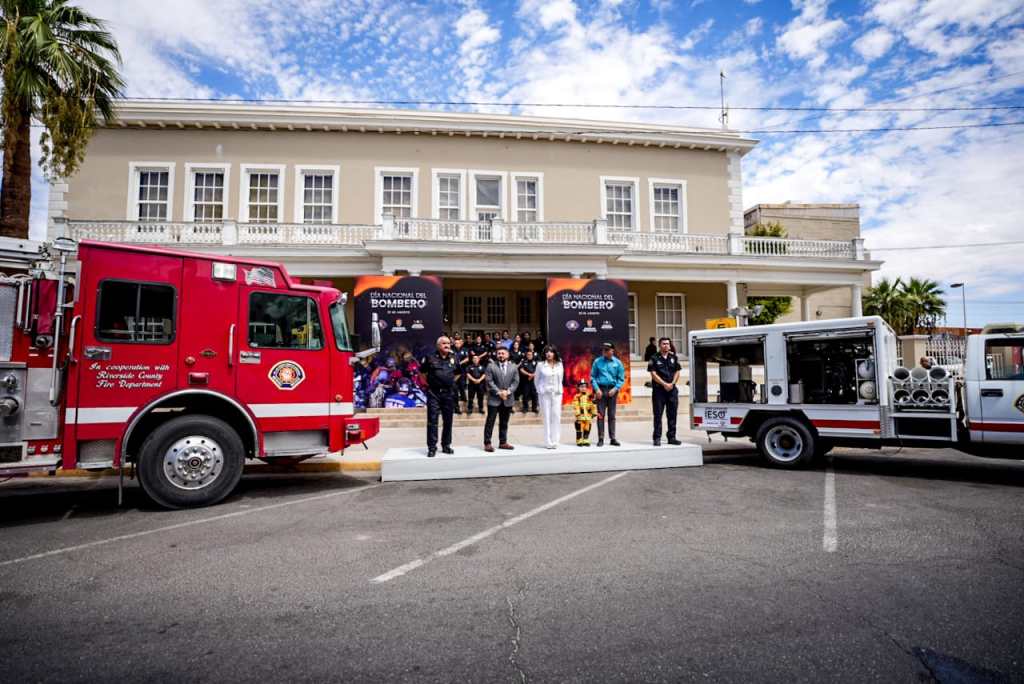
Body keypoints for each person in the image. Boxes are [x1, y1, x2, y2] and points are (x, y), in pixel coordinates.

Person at [420, 336, 458, 457]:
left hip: (448, 394)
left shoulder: (454, 357)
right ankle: (432, 447)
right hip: (434, 393)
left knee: (448, 421)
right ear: (438, 345)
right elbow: (422, 373)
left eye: (448, 343)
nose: (447, 345)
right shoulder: (429, 357)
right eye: (444, 343)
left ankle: (446, 445)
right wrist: (429, 384)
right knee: (432, 421)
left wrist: (450, 382)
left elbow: (458, 373)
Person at [649, 337, 683, 446]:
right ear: (659, 345)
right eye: (663, 344)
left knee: (672, 415)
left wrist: (672, 384)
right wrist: (664, 384)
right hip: (659, 391)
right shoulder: (654, 358)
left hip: (672, 390)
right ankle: (657, 438)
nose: (666, 345)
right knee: (658, 415)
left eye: (667, 344)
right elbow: (653, 374)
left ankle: (672, 437)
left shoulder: (674, 357)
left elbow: (677, 371)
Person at [483, 346, 519, 452]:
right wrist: (499, 392)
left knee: (504, 422)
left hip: (508, 398)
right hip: (494, 399)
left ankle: (503, 442)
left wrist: (507, 392)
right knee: (490, 422)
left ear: (507, 354)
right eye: (499, 353)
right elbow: (489, 381)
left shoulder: (513, 367)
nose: (501, 355)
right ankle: (487, 443)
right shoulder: (491, 366)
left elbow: (516, 382)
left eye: (503, 353)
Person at [590, 342, 625, 447]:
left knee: (612, 415)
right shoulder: (597, 362)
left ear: (612, 351)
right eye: (603, 350)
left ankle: (612, 438)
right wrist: (597, 389)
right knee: (600, 415)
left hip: (612, 391)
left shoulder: (618, 363)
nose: (604, 351)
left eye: (607, 350)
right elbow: (592, 377)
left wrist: (615, 389)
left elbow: (621, 379)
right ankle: (600, 438)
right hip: (601, 390)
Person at [535, 346, 564, 448]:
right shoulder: (540, 365)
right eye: (547, 352)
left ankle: (555, 440)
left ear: (554, 353)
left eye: (551, 352)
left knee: (556, 416)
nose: (549, 353)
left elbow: (561, 379)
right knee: (546, 417)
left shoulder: (560, 364)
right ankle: (548, 442)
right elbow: (536, 380)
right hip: (545, 394)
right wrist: (541, 391)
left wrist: (558, 390)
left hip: (557, 394)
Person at [571, 380, 597, 446]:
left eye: (585, 387)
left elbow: (592, 404)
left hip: (588, 416)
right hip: (580, 416)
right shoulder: (577, 396)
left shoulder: (589, 396)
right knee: (579, 428)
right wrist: (577, 413)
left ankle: (585, 439)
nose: (583, 388)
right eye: (582, 387)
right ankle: (579, 440)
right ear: (578, 388)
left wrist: (594, 412)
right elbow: (576, 405)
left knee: (587, 428)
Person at [452, 334, 469, 414]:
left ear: (461, 343)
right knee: (454, 389)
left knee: (462, 386)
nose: (457, 344)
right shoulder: (451, 350)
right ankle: (456, 408)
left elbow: (467, 358)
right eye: (455, 343)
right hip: (454, 373)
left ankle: (464, 401)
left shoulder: (465, 349)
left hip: (462, 371)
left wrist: (460, 363)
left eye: (458, 343)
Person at [519, 348, 539, 413]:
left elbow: (538, 370)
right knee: (525, 395)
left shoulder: (535, 362)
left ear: (532, 355)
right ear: (526, 355)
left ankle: (534, 408)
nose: (529, 356)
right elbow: (521, 370)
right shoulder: (524, 362)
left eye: (530, 355)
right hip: (526, 381)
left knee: (534, 395)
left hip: (534, 381)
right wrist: (528, 374)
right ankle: (525, 408)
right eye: (528, 355)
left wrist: (532, 375)